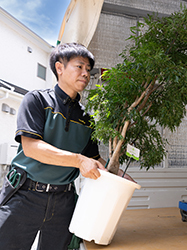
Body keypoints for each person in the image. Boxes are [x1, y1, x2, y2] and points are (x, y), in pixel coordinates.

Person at [0, 42, 133, 250]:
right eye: (79, 66)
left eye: (88, 69)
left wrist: (118, 177)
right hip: (25, 194)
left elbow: (94, 158)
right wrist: (78, 160)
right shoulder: (36, 100)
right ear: (59, 68)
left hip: (64, 201)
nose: (85, 73)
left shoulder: (87, 119)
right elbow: (32, 147)